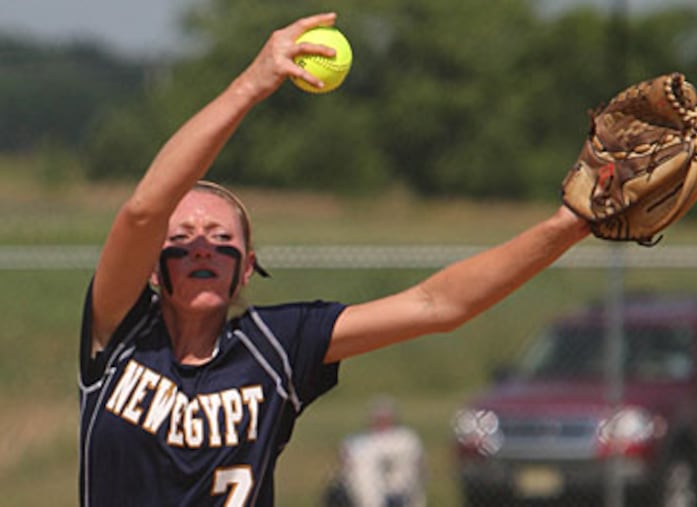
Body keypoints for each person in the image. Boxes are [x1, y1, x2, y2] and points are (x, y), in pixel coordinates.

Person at [77, 11, 589, 507]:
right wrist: (252, 85)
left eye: (218, 235)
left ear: (247, 267)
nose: (202, 245)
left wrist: (567, 226)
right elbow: (144, 211)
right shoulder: (120, 333)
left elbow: (438, 304)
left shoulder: (275, 347)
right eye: (183, 235)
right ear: (151, 265)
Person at [330, 397, 427, 507]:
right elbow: (345, 461)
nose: (382, 422)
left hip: (400, 486)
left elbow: (417, 465)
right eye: (379, 418)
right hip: (368, 490)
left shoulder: (405, 438)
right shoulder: (360, 441)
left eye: (385, 418)